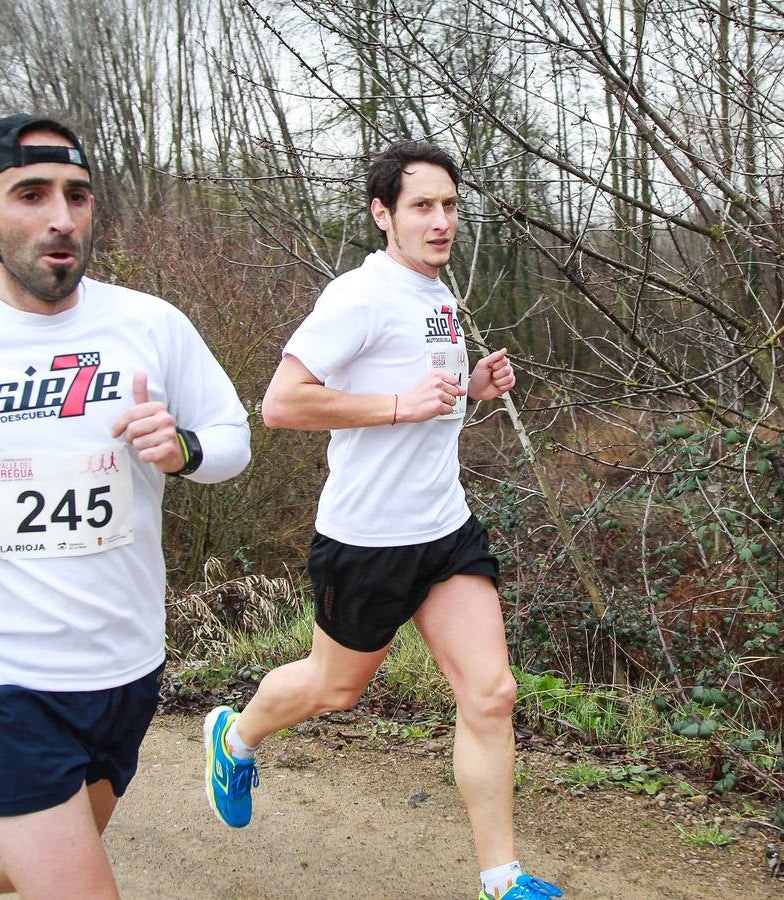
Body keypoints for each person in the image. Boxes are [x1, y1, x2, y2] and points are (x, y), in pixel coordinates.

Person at [0, 113, 251, 900]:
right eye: (31, 194)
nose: (62, 218)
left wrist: (183, 450)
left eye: (78, 194)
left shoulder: (150, 325)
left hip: (124, 667)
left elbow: (231, 437)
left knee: (62, 839)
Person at [202, 141, 563, 900]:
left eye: (450, 206)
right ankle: (234, 737)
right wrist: (399, 406)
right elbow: (281, 403)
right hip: (367, 541)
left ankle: (502, 879)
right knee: (335, 691)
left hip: (445, 531)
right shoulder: (358, 297)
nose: (440, 222)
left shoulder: (436, 296)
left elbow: (425, 403)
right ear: (383, 214)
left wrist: (471, 390)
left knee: (492, 692)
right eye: (422, 207)